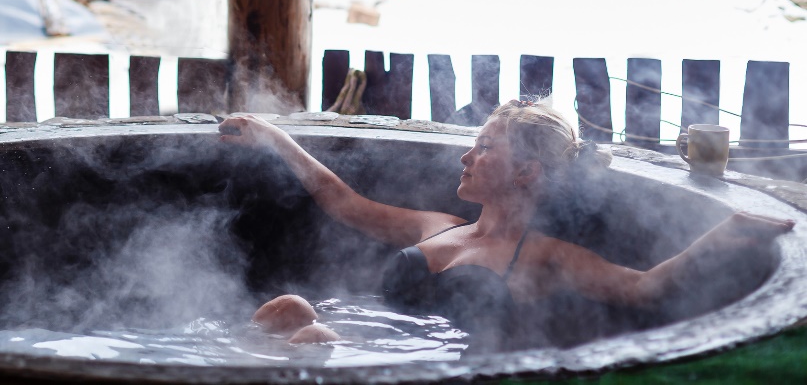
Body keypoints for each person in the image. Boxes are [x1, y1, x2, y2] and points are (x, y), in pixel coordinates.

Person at [219, 100, 794, 351]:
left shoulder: (543, 255)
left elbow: (643, 287)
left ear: (525, 172)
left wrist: (721, 235)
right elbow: (342, 201)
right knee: (288, 310)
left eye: (484, 147)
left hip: (429, 366)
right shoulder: (438, 226)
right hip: (369, 339)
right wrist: (275, 138)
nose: (466, 157)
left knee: (312, 334)